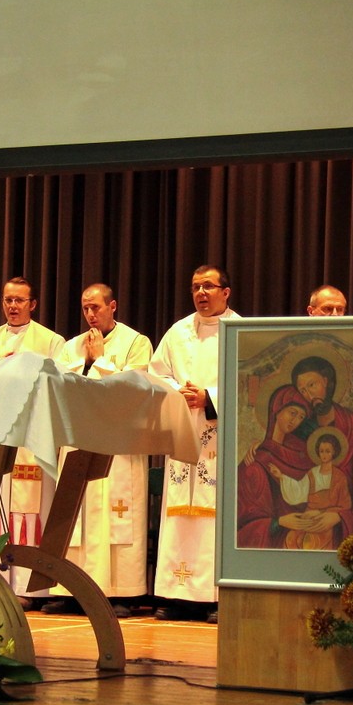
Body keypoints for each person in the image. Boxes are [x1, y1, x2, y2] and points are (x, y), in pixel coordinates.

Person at [47, 283, 153, 616]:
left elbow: (138, 389)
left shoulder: (136, 342)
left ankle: (121, 592)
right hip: (80, 438)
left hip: (119, 443)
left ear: (113, 306)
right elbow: (59, 385)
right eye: (85, 308)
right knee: (77, 514)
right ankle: (69, 590)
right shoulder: (71, 346)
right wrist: (87, 363)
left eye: (96, 307)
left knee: (116, 515)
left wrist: (100, 361)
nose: (90, 314)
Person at [149, 265, 239, 622]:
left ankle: (216, 596)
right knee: (178, 512)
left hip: (220, 437)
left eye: (208, 286)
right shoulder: (178, 332)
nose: (201, 293)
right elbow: (156, 374)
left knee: (216, 514)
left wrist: (209, 396)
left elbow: (250, 382)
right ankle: (176, 594)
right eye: (195, 287)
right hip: (184, 431)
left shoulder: (240, 330)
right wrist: (179, 393)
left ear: (225, 292)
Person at [0, 277, 65, 602]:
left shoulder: (51, 341)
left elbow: (58, 385)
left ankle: (30, 586)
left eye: (19, 300)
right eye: (8, 300)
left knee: (31, 509)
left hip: (32, 437)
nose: (12, 306)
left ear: (32, 304)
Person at [287, 355, 353, 542]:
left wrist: (339, 517)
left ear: (327, 381)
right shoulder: (299, 431)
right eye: (303, 390)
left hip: (341, 531)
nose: (309, 395)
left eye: (312, 385)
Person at [237, 385, 311, 548]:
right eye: (292, 413)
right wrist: (280, 522)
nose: (295, 421)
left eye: (301, 417)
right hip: (274, 537)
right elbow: (246, 515)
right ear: (277, 410)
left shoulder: (303, 454)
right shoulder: (257, 459)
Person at [268, 430, 351, 550]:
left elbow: (345, 506)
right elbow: (299, 490)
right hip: (308, 518)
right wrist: (281, 476)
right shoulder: (312, 473)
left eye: (327, 451)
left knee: (310, 543)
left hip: (324, 521)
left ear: (334, 452)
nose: (324, 455)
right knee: (291, 539)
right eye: (321, 451)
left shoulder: (340, 477)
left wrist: (320, 512)